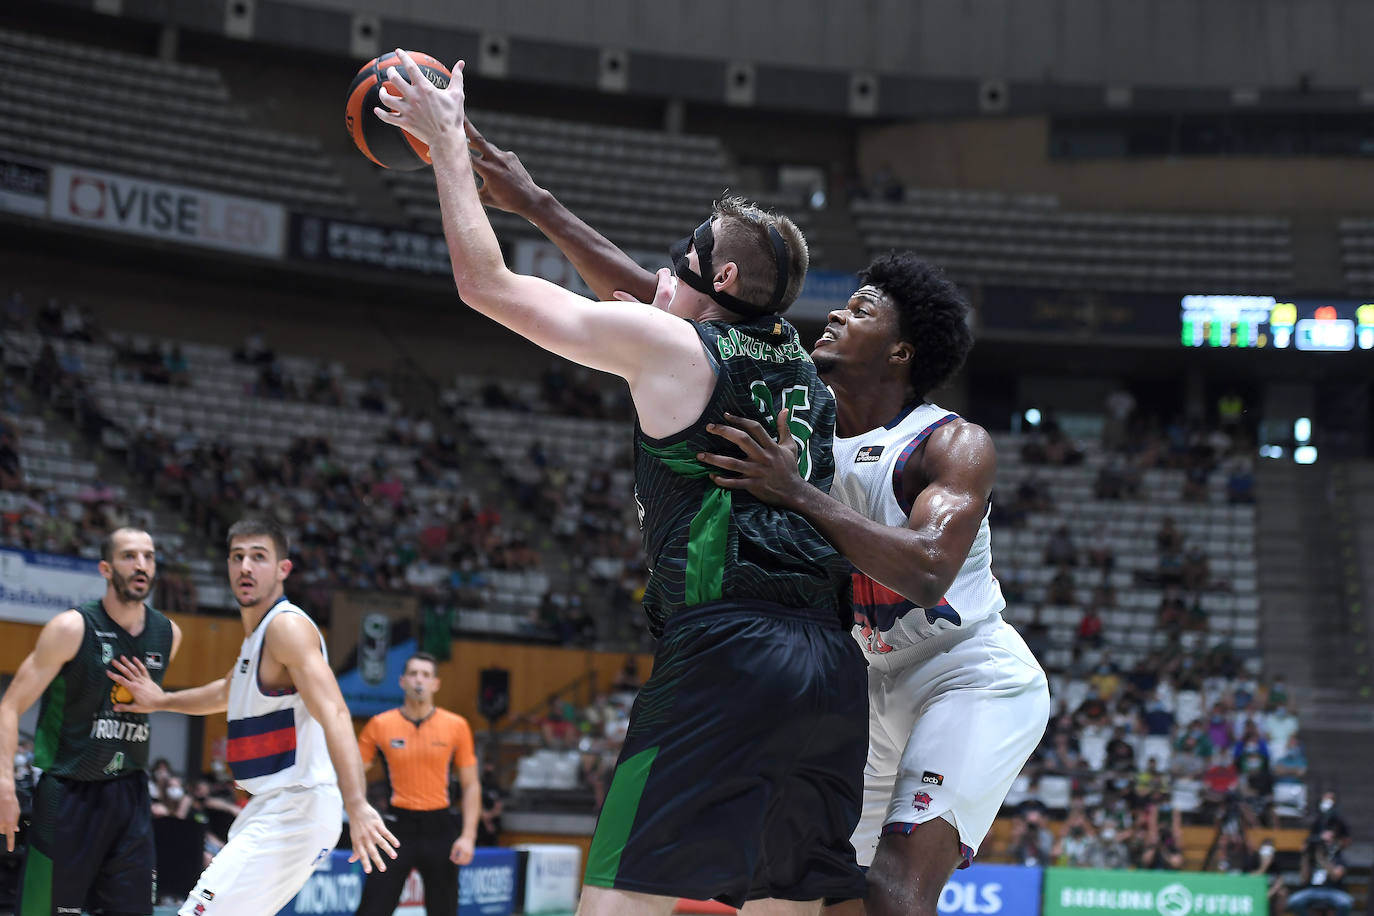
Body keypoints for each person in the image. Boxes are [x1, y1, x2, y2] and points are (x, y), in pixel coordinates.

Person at [452, 100, 1046, 916]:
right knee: (822, 900)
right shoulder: (800, 388)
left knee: (891, 892)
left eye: (864, 309)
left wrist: (795, 490)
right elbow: (678, 316)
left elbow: (927, 570)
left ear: (901, 353)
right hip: (853, 671)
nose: (838, 311)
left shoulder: (950, 444)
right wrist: (537, 204)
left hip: (961, 668)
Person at [376, 52, 867, 915]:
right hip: (830, 665)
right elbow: (639, 293)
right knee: (783, 902)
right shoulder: (798, 363)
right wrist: (532, 198)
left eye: (680, 261)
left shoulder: (678, 347)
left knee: (617, 900)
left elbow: (484, 285)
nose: (659, 273)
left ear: (719, 282)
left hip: (726, 650)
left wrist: (450, 149)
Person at [106, 517, 397, 916]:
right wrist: (160, 701)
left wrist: (358, 804)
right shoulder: (256, 641)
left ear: (283, 570)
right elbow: (225, 692)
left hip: (296, 806)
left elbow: (335, 712)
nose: (245, 567)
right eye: (237, 557)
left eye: (258, 557)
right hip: (271, 806)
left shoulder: (286, 628)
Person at [0, 527, 179, 916]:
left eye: (148, 557)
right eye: (129, 556)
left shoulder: (168, 634)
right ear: (105, 568)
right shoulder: (71, 628)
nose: (141, 565)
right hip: (68, 794)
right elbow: (9, 707)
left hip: (130, 795)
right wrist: (4, 785)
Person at [354, 652, 480, 916]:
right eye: (413, 674)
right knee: (373, 909)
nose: (418, 680)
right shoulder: (380, 724)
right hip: (396, 828)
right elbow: (351, 773)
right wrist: (358, 815)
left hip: (440, 829)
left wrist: (468, 836)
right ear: (402, 681)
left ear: (436, 684)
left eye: (425, 674)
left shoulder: (456, 726)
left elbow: (471, 785)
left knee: (444, 909)